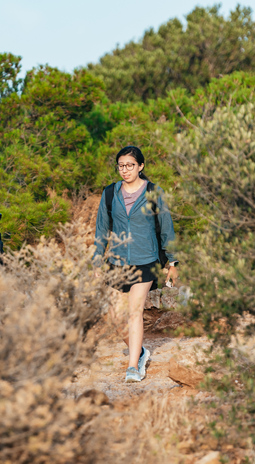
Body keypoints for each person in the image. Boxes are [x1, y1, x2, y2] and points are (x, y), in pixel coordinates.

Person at [94, 146, 178, 383]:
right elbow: (101, 229)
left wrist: (173, 261)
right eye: (121, 166)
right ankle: (139, 351)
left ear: (140, 166)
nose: (125, 170)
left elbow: (167, 227)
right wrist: (95, 262)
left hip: (146, 259)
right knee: (114, 317)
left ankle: (133, 366)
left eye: (130, 165)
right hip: (117, 261)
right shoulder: (110, 193)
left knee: (134, 311)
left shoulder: (153, 192)